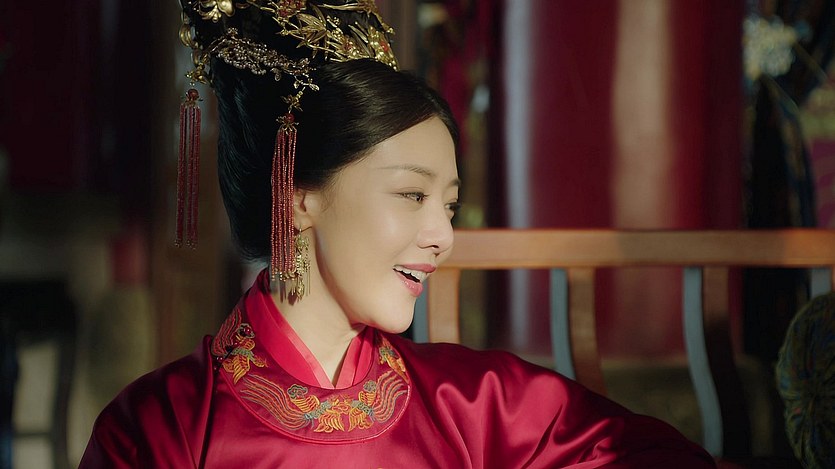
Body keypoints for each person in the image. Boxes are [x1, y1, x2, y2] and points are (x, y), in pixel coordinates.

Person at [80, 1, 716, 467]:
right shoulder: (165, 429)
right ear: (298, 198)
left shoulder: (476, 405)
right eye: (412, 195)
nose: (442, 234)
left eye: (450, 205)